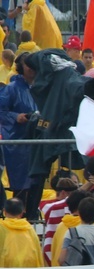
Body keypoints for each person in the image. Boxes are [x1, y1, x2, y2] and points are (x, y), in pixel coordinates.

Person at [0, 52, 36, 202]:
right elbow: (2, 111)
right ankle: (17, 214)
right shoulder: (12, 88)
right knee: (21, 183)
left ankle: (31, 214)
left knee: (36, 183)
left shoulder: (41, 87)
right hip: (17, 142)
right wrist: (16, 117)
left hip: (36, 141)